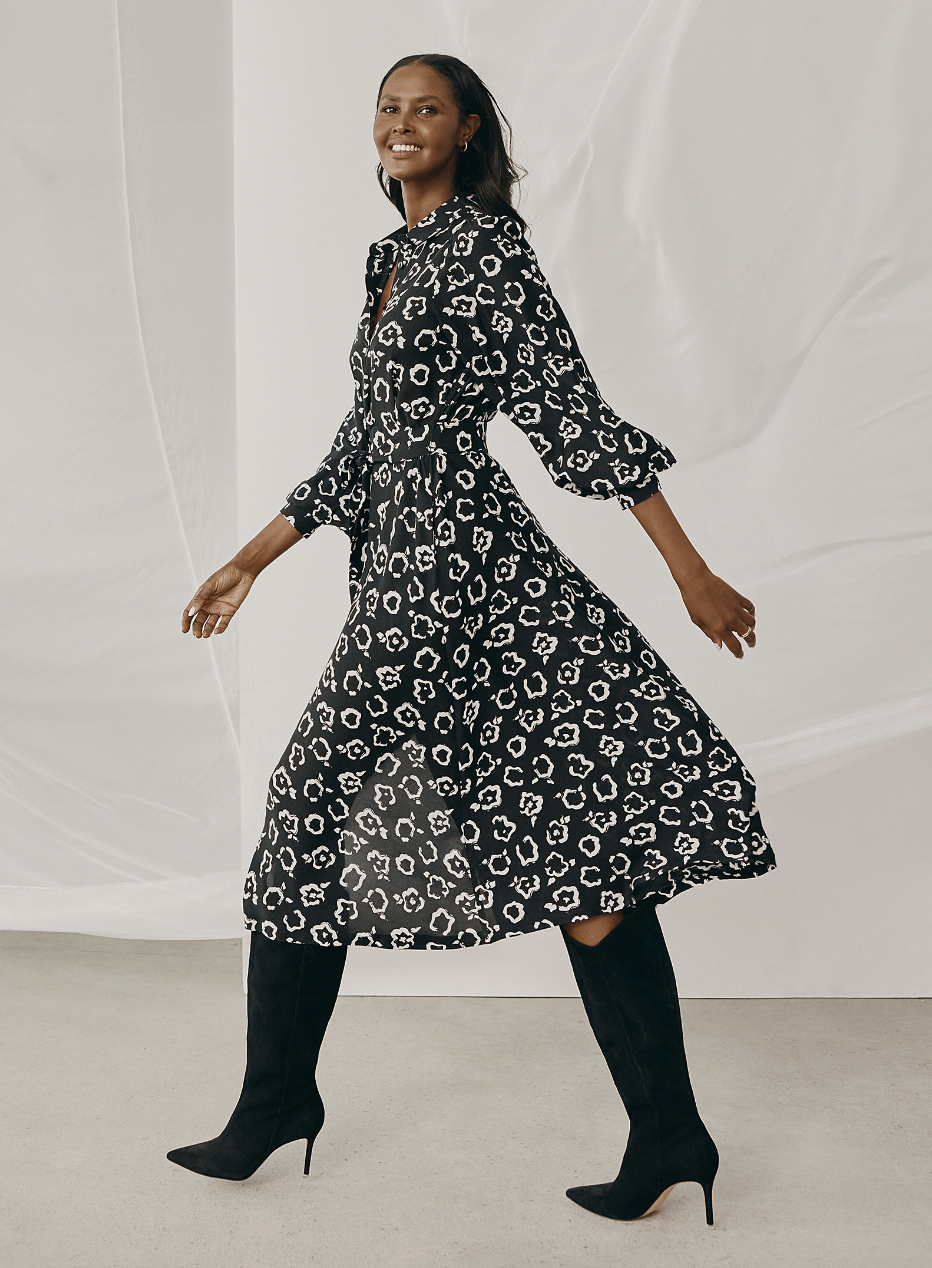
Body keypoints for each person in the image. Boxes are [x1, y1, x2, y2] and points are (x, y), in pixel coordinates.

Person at [168, 53, 776, 1226]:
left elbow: (569, 411)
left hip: (456, 585)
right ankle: (668, 1129)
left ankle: (275, 1102)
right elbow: (363, 445)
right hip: (407, 579)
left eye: (425, 110)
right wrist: (252, 554)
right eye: (387, 110)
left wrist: (689, 568)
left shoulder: (489, 251)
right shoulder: (390, 259)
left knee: (309, 813)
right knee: (572, 856)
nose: (402, 125)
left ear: (469, 129)